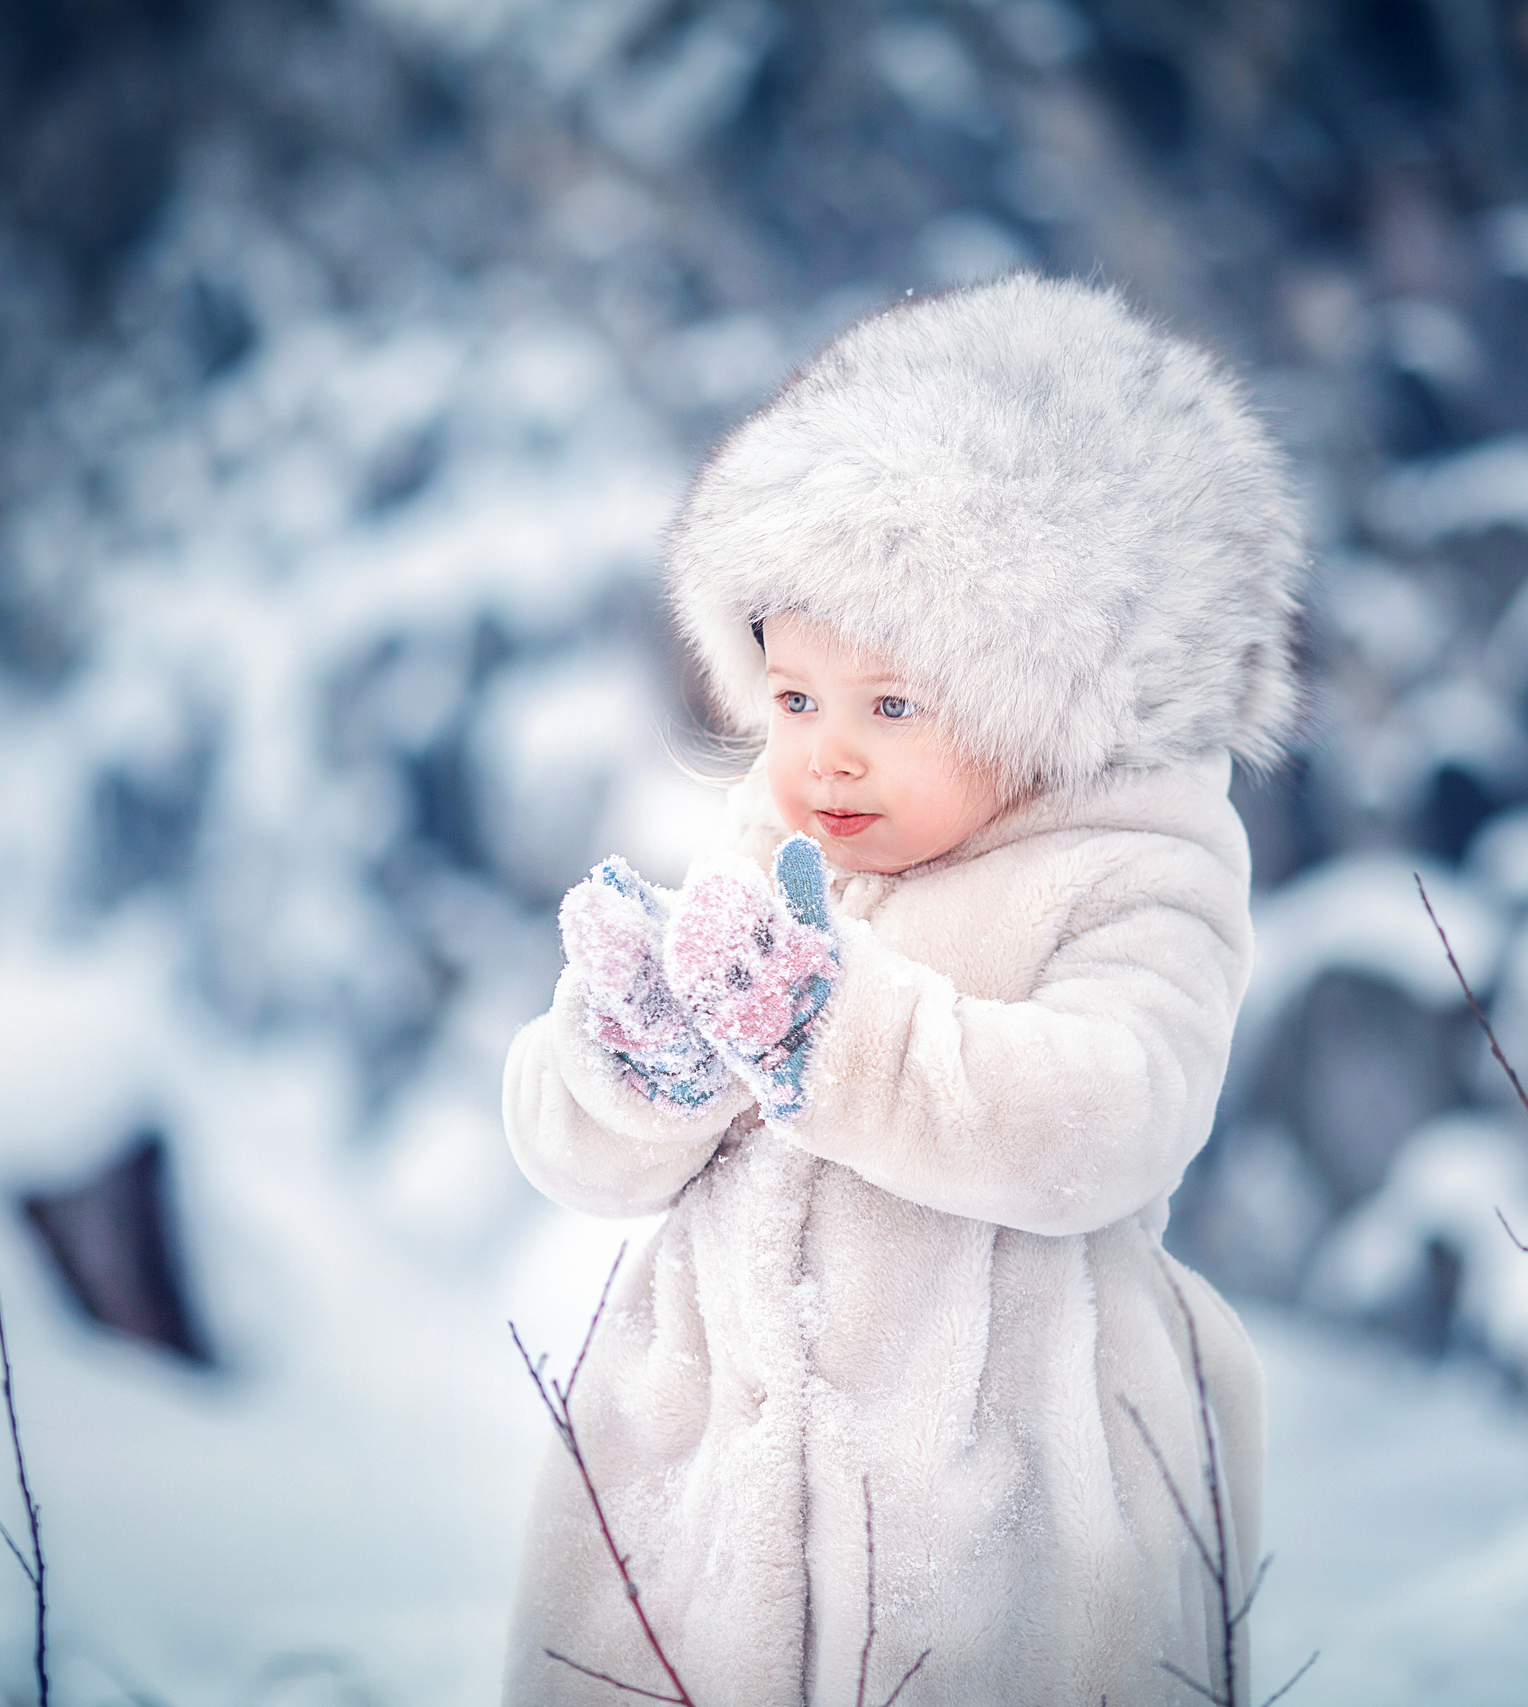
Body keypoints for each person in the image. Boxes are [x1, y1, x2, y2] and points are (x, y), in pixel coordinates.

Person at [500, 273, 1305, 1705]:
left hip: (995, 1519)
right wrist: (636, 1071)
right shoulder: (778, 839)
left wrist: (838, 1040)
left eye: (891, 706)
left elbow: (1113, 1115)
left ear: (1043, 696)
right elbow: (584, 1162)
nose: (824, 756)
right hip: (698, 1509)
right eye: (796, 699)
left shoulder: (1135, 863)